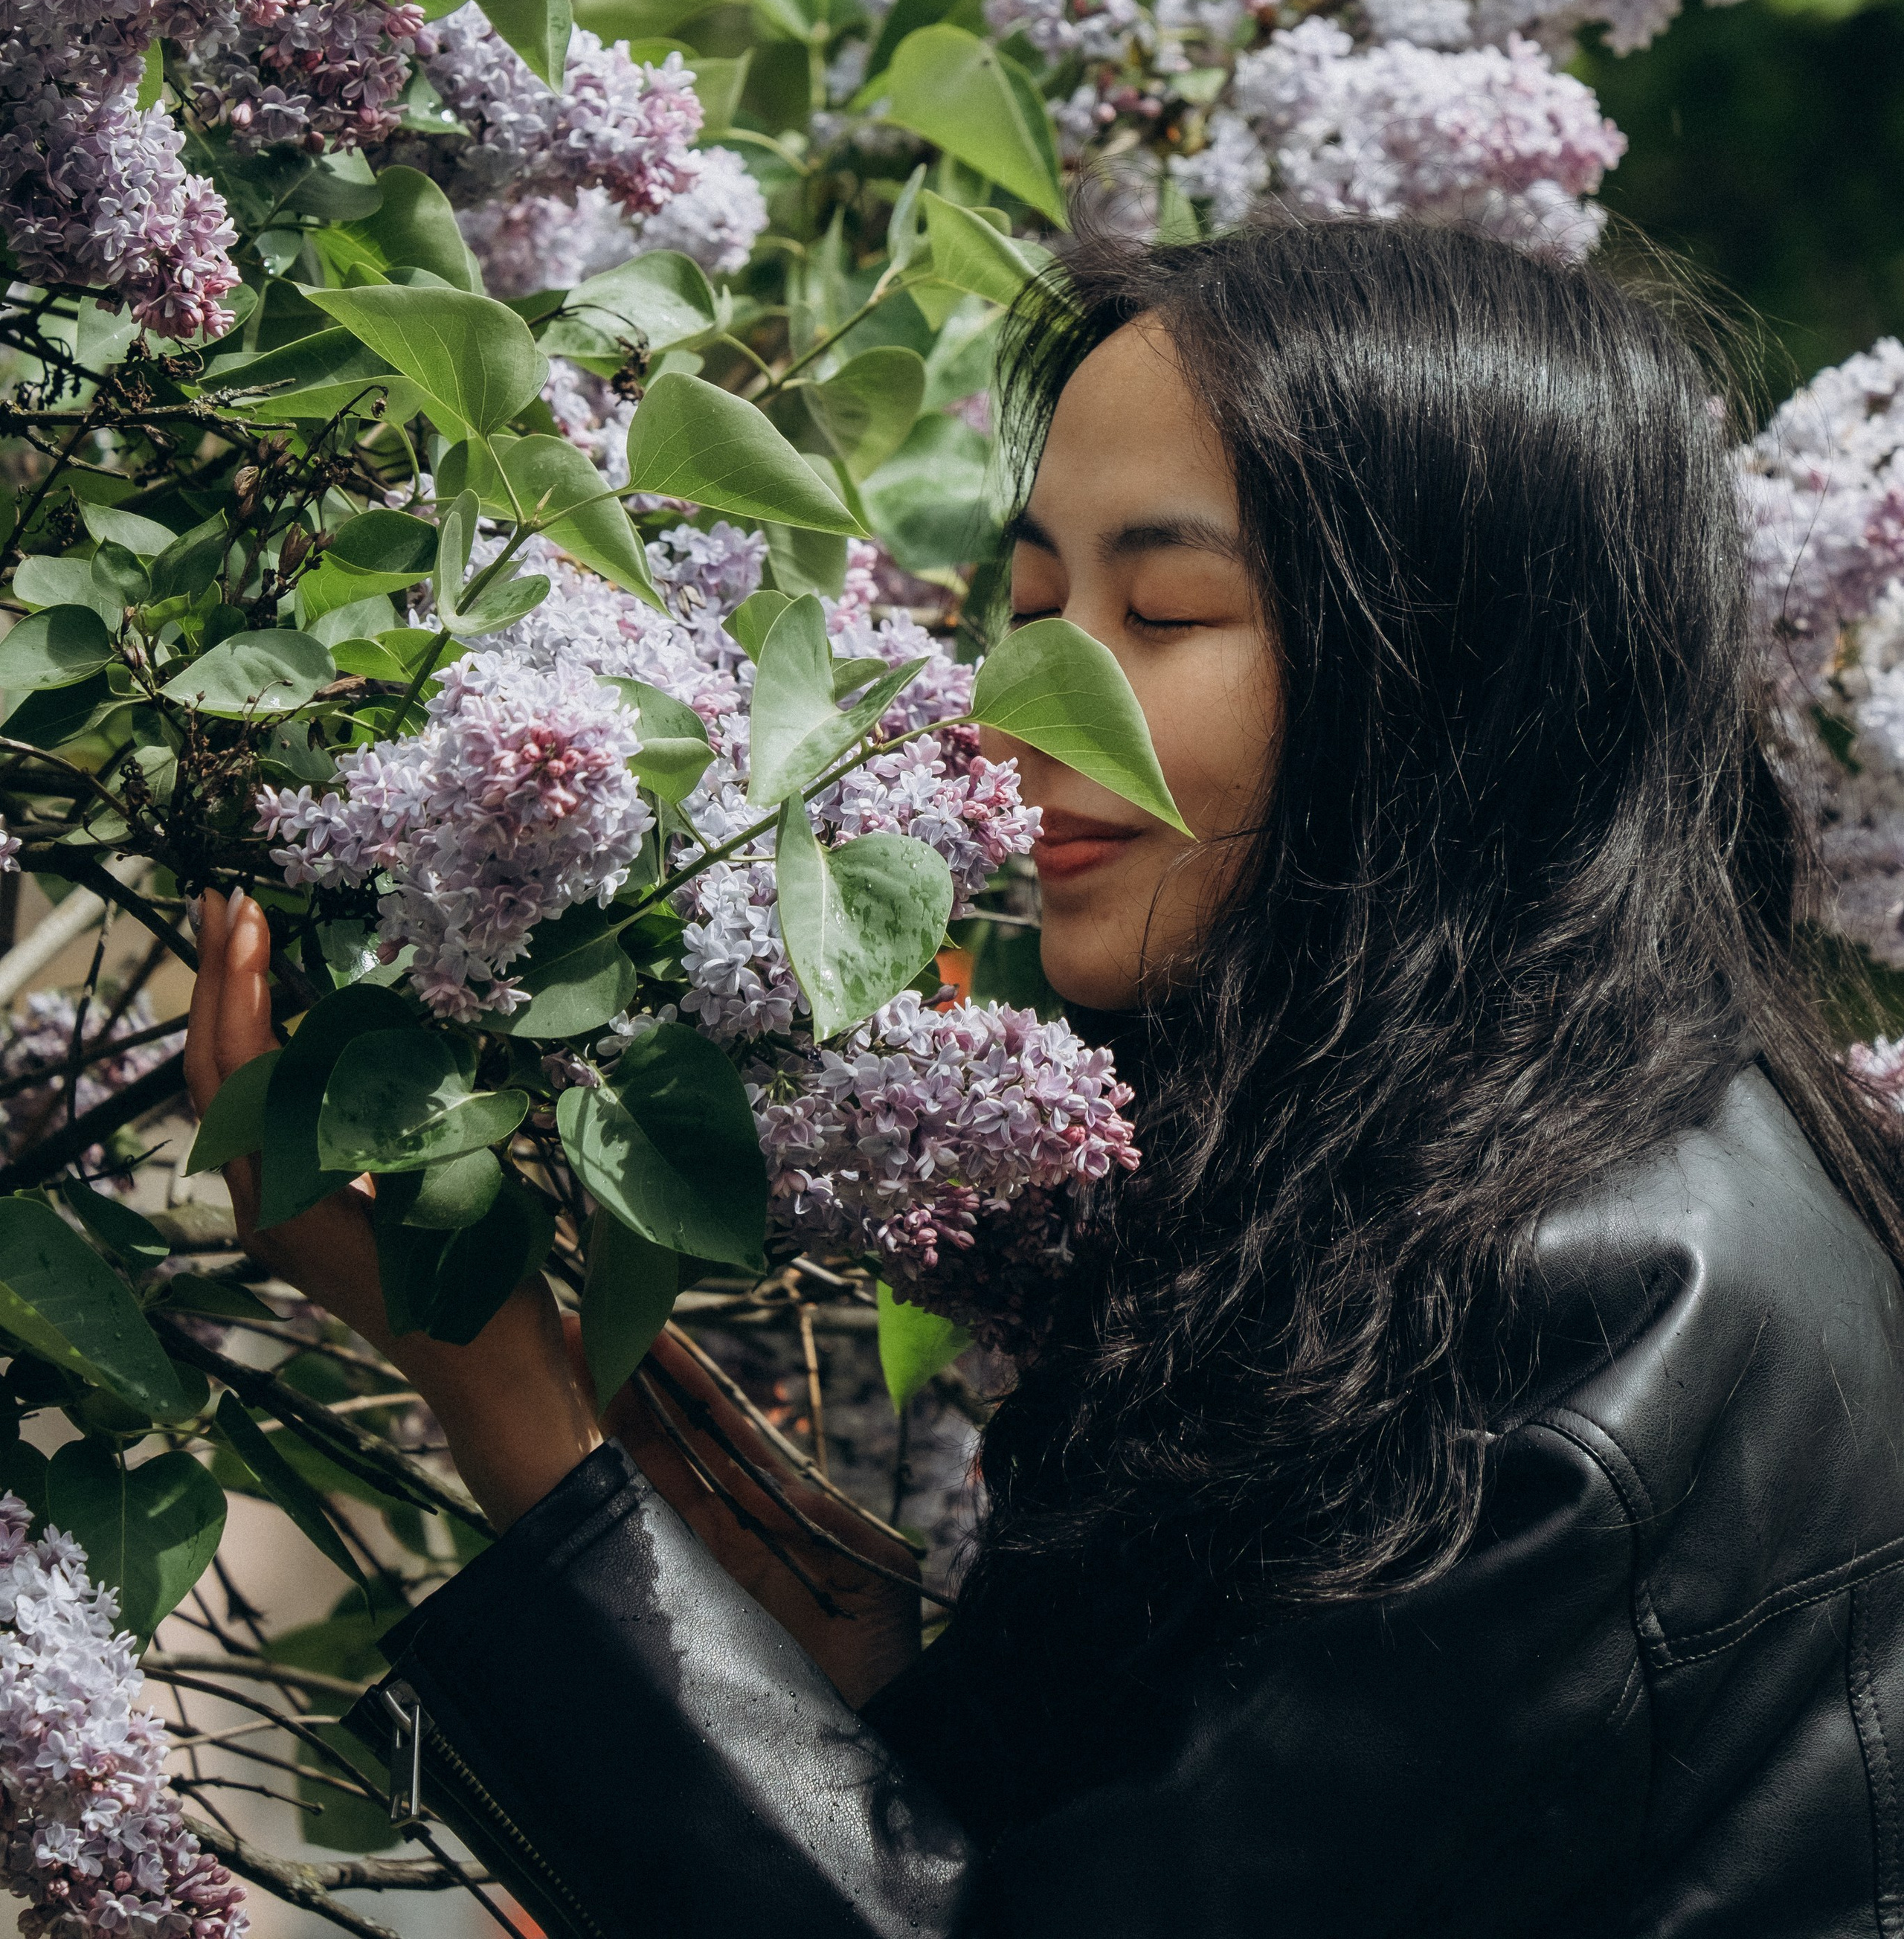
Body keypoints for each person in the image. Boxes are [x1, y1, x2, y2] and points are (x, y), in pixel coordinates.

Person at [186, 221, 1904, 1939]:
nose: (1014, 713)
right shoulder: (1412, 1192)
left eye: (1160, 613)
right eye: (1028, 612)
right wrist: (873, 1694)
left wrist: (510, 1417)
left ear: (1449, 680)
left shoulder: (1590, 1321)